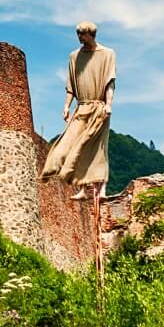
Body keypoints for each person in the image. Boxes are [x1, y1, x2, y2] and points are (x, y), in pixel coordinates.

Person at [41, 21, 115, 199]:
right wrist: (66, 106)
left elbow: (109, 83)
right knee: (72, 144)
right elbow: (71, 86)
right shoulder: (74, 57)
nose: (80, 38)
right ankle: (81, 186)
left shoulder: (107, 54)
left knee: (97, 147)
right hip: (81, 107)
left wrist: (108, 104)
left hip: (99, 106)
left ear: (91, 34)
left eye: (82, 34)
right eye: (78, 34)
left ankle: (101, 187)